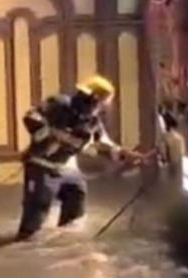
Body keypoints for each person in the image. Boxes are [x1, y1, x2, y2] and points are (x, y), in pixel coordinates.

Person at [15, 75, 146, 241]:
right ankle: (24, 244)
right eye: (105, 101)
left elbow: (100, 145)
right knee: (36, 216)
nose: (106, 106)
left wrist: (125, 155)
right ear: (95, 98)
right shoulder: (59, 104)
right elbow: (31, 117)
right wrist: (55, 135)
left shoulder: (92, 122)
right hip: (42, 168)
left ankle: (64, 244)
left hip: (67, 169)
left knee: (76, 198)